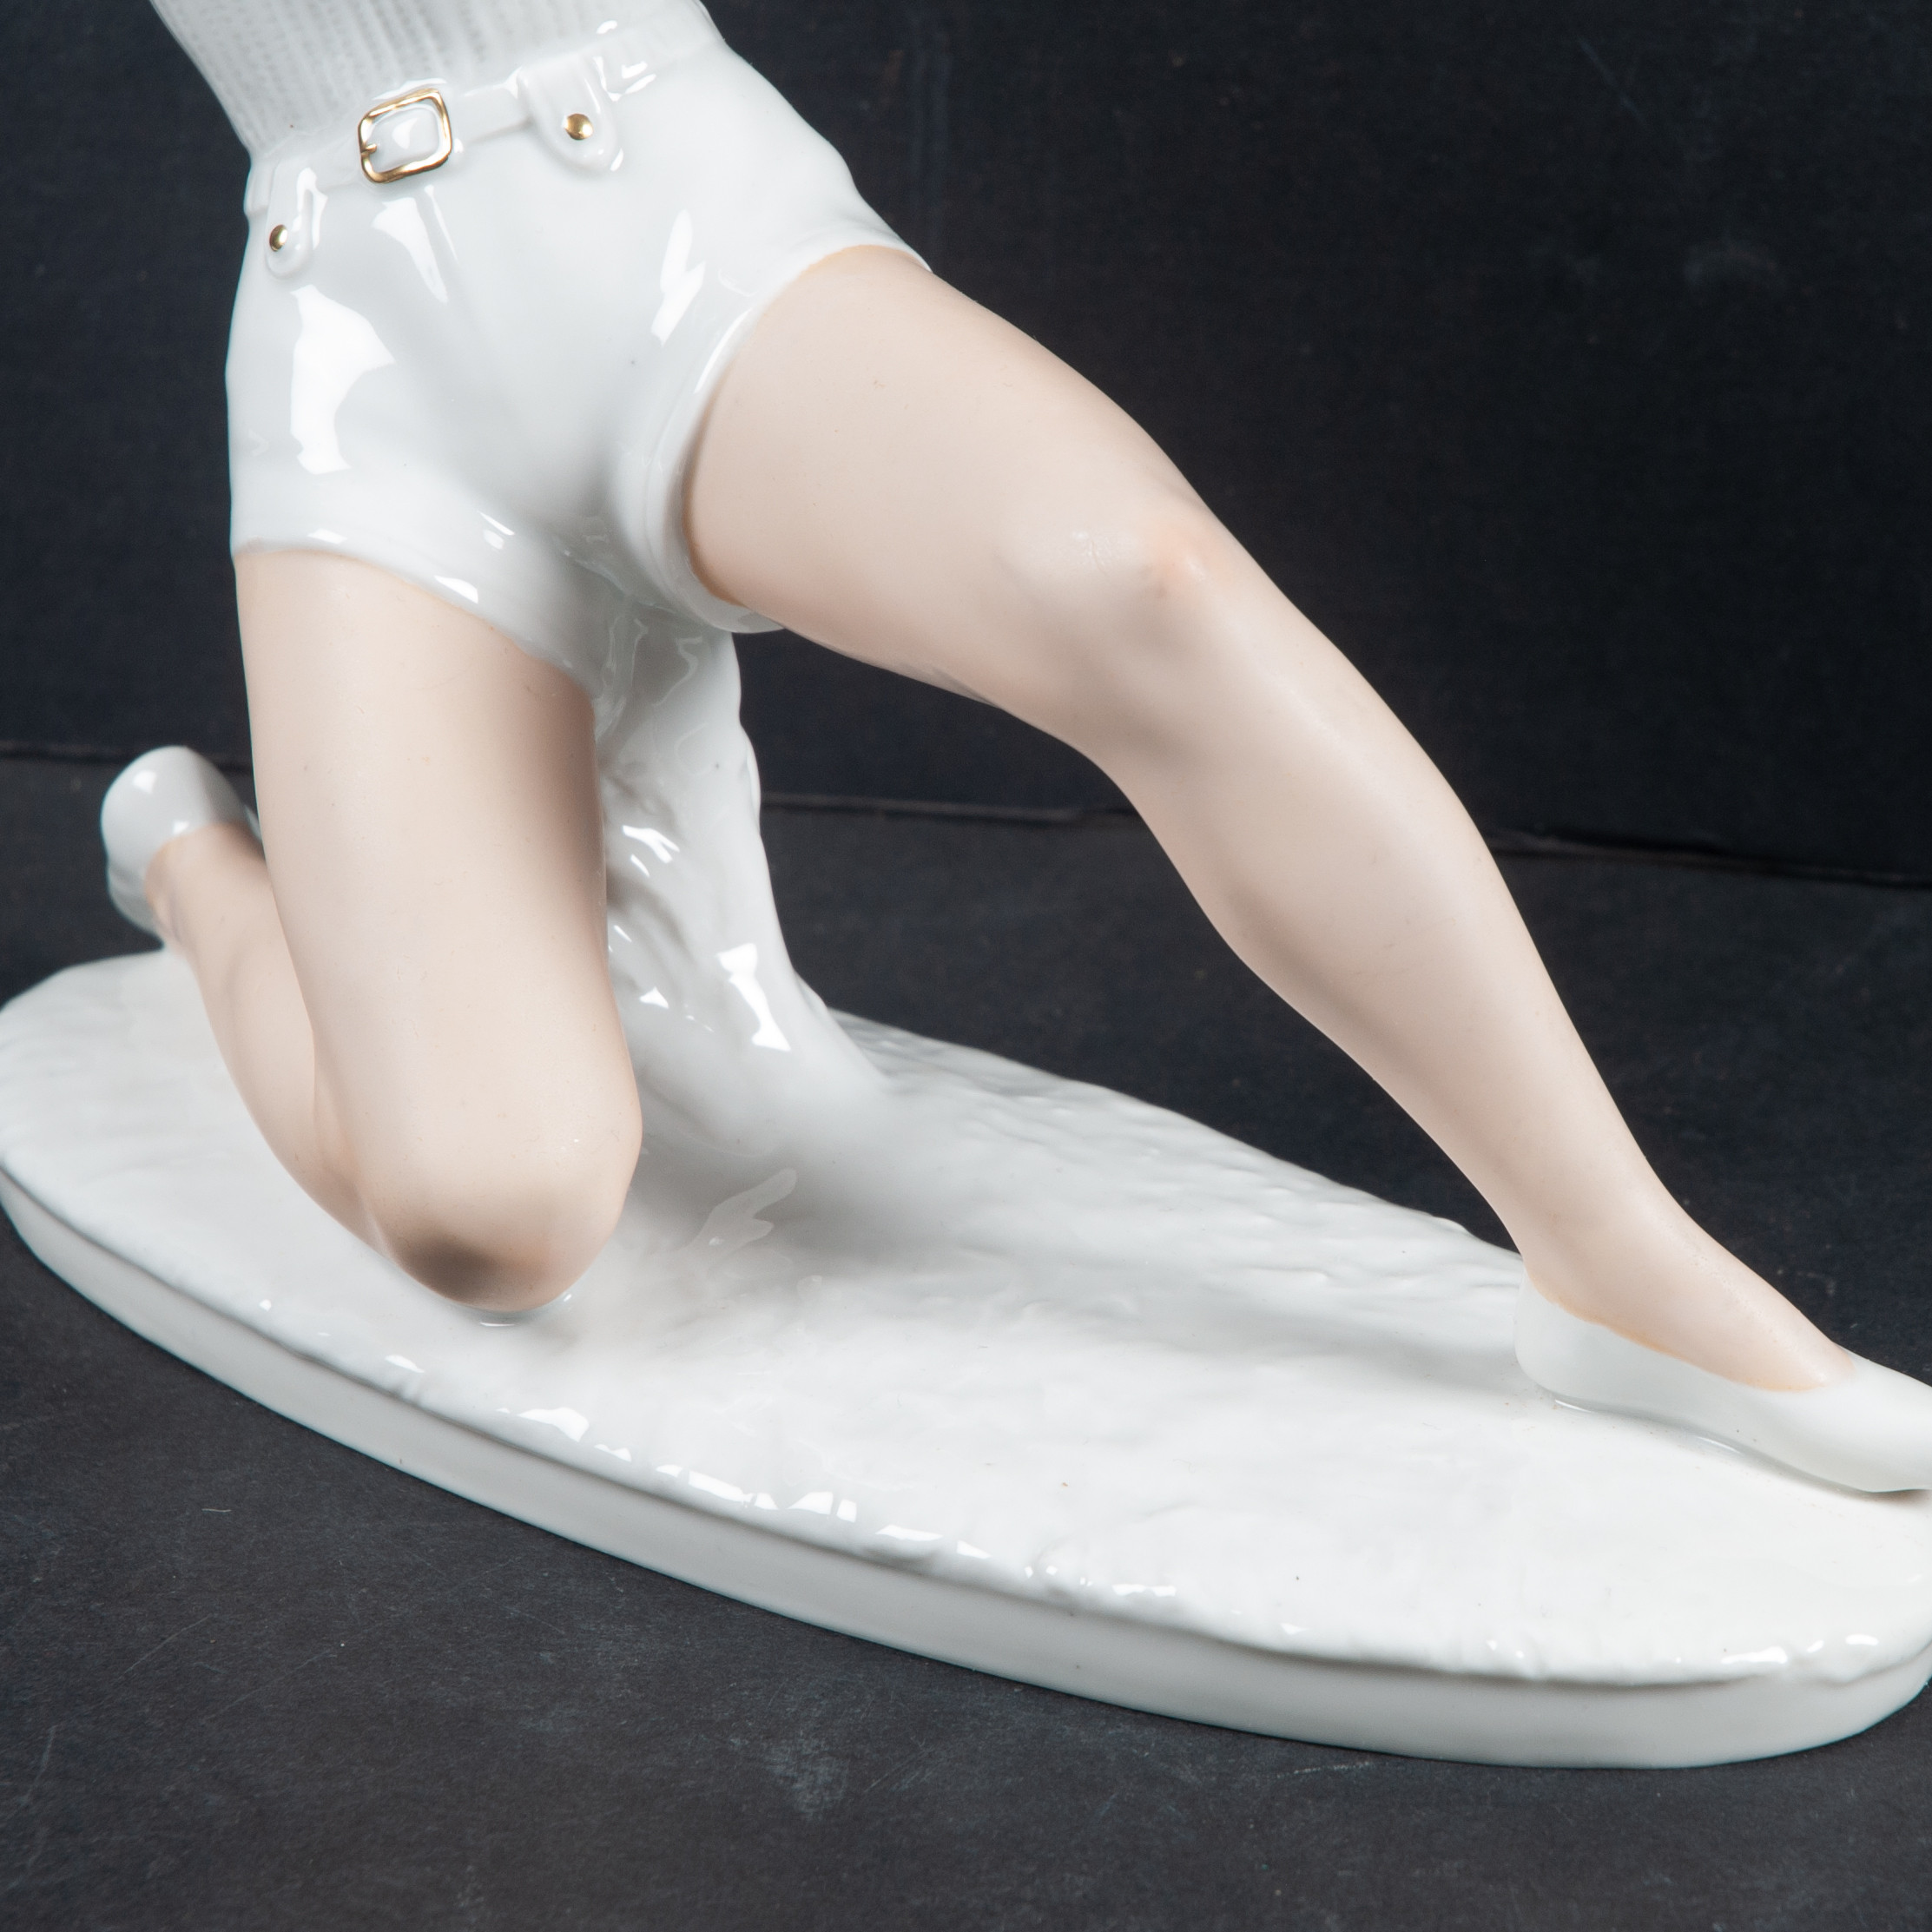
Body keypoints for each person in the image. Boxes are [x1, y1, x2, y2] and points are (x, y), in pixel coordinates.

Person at [105, 0, 1932, 1489]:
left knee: (1133, 580)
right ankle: (202, 875)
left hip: (650, 195)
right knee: (488, 1210)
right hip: (357, 344)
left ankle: (1618, 1259)